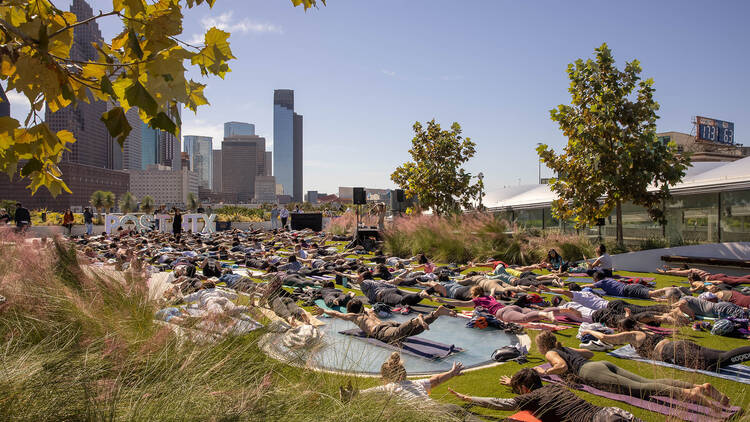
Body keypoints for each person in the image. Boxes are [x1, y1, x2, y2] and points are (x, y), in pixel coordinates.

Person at [534, 331, 728, 406]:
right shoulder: (562, 347)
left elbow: (561, 366)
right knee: (648, 382)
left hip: (589, 372)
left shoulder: (551, 353)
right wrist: (572, 355)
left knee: (642, 389)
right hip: (600, 365)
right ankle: (701, 387)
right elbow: (589, 354)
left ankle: (689, 393)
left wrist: (545, 372)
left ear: (543, 346)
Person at [448, 368, 641, 422]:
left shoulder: (531, 397)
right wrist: (512, 382)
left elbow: (501, 403)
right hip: (612, 412)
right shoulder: (555, 388)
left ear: (524, 389)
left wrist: (468, 398)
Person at [583, 317, 750, 371]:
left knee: (722, 360)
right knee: (721, 355)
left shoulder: (631, 335)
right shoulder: (641, 329)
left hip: (674, 352)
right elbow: (629, 318)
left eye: (619, 329)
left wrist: (589, 331)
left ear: (624, 329)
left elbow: (605, 338)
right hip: (679, 346)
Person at [361, 352, 478, 420]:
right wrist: (451, 373)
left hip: (428, 415)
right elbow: (436, 380)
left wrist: (351, 393)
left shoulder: (389, 387)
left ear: (385, 378)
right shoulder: (415, 383)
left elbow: (366, 393)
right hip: (444, 408)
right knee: (459, 412)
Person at [323, 299, 455, 344]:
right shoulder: (369, 311)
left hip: (381, 331)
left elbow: (336, 313)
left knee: (397, 334)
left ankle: (416, 320)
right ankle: (436, 313)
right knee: (414, 331)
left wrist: (324, 311)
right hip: (388, 323)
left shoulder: (354, 316)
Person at [436, 286, 566, 323]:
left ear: (475, 295)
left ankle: (546, 313)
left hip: (503, 313)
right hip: (510, 308)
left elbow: (460, 303)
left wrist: (444, 301)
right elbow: (492, 291)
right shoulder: (489, 296)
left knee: (524, 319)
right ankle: (563, 309)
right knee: (530, 314)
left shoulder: (477, 301)